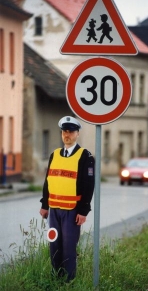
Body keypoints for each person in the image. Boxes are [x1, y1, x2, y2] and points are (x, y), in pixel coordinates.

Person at [39, 116, 95, 283]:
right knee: (54, 245)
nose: (67, 134)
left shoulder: (85, 156)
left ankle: (68, 281)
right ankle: (56, 278)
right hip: (54, 212)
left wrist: (84, 210)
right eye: (64, 131)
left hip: (72, 212)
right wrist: (44, 205)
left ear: (77, 134)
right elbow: (48, 181)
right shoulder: (54, 155)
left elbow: (88, 185)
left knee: (68, 248)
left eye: (71, 131)